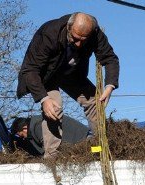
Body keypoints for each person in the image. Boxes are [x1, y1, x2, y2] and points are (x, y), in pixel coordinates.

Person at [16, 12, 119, 159]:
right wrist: (44, 99)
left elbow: (110, 59)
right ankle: (52, 157)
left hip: (71, 73)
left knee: (95, 101)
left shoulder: (95, 33)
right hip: (45, 76)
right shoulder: (49, 33)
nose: (79, 44)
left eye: (84, 40)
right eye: (75, 39)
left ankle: (99, 146)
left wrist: (110, 86)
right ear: (68, 27)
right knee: (54, 107)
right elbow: (30, 69)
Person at [10, 115, 90, 156]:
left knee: (95, 150)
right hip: (80, 140)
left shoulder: (37, 126)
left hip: (84, 140)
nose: (23, 138)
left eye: (21, 135)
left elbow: (49, 147)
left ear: (24, 128)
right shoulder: (36, 123)